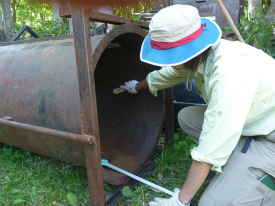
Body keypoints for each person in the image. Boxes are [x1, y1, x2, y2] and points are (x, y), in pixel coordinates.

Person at [120, 4, 275, 206]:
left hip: (269, 140)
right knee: (187, 117)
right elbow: (166, 75)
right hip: (251, 125)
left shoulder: (229, 71)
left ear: (182, 52)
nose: (163, 61)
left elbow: (211, 144)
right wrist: (135, 87)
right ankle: (237, 163)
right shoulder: (203, 55)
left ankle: (264, 181)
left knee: (210, 203)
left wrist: (180, 200)